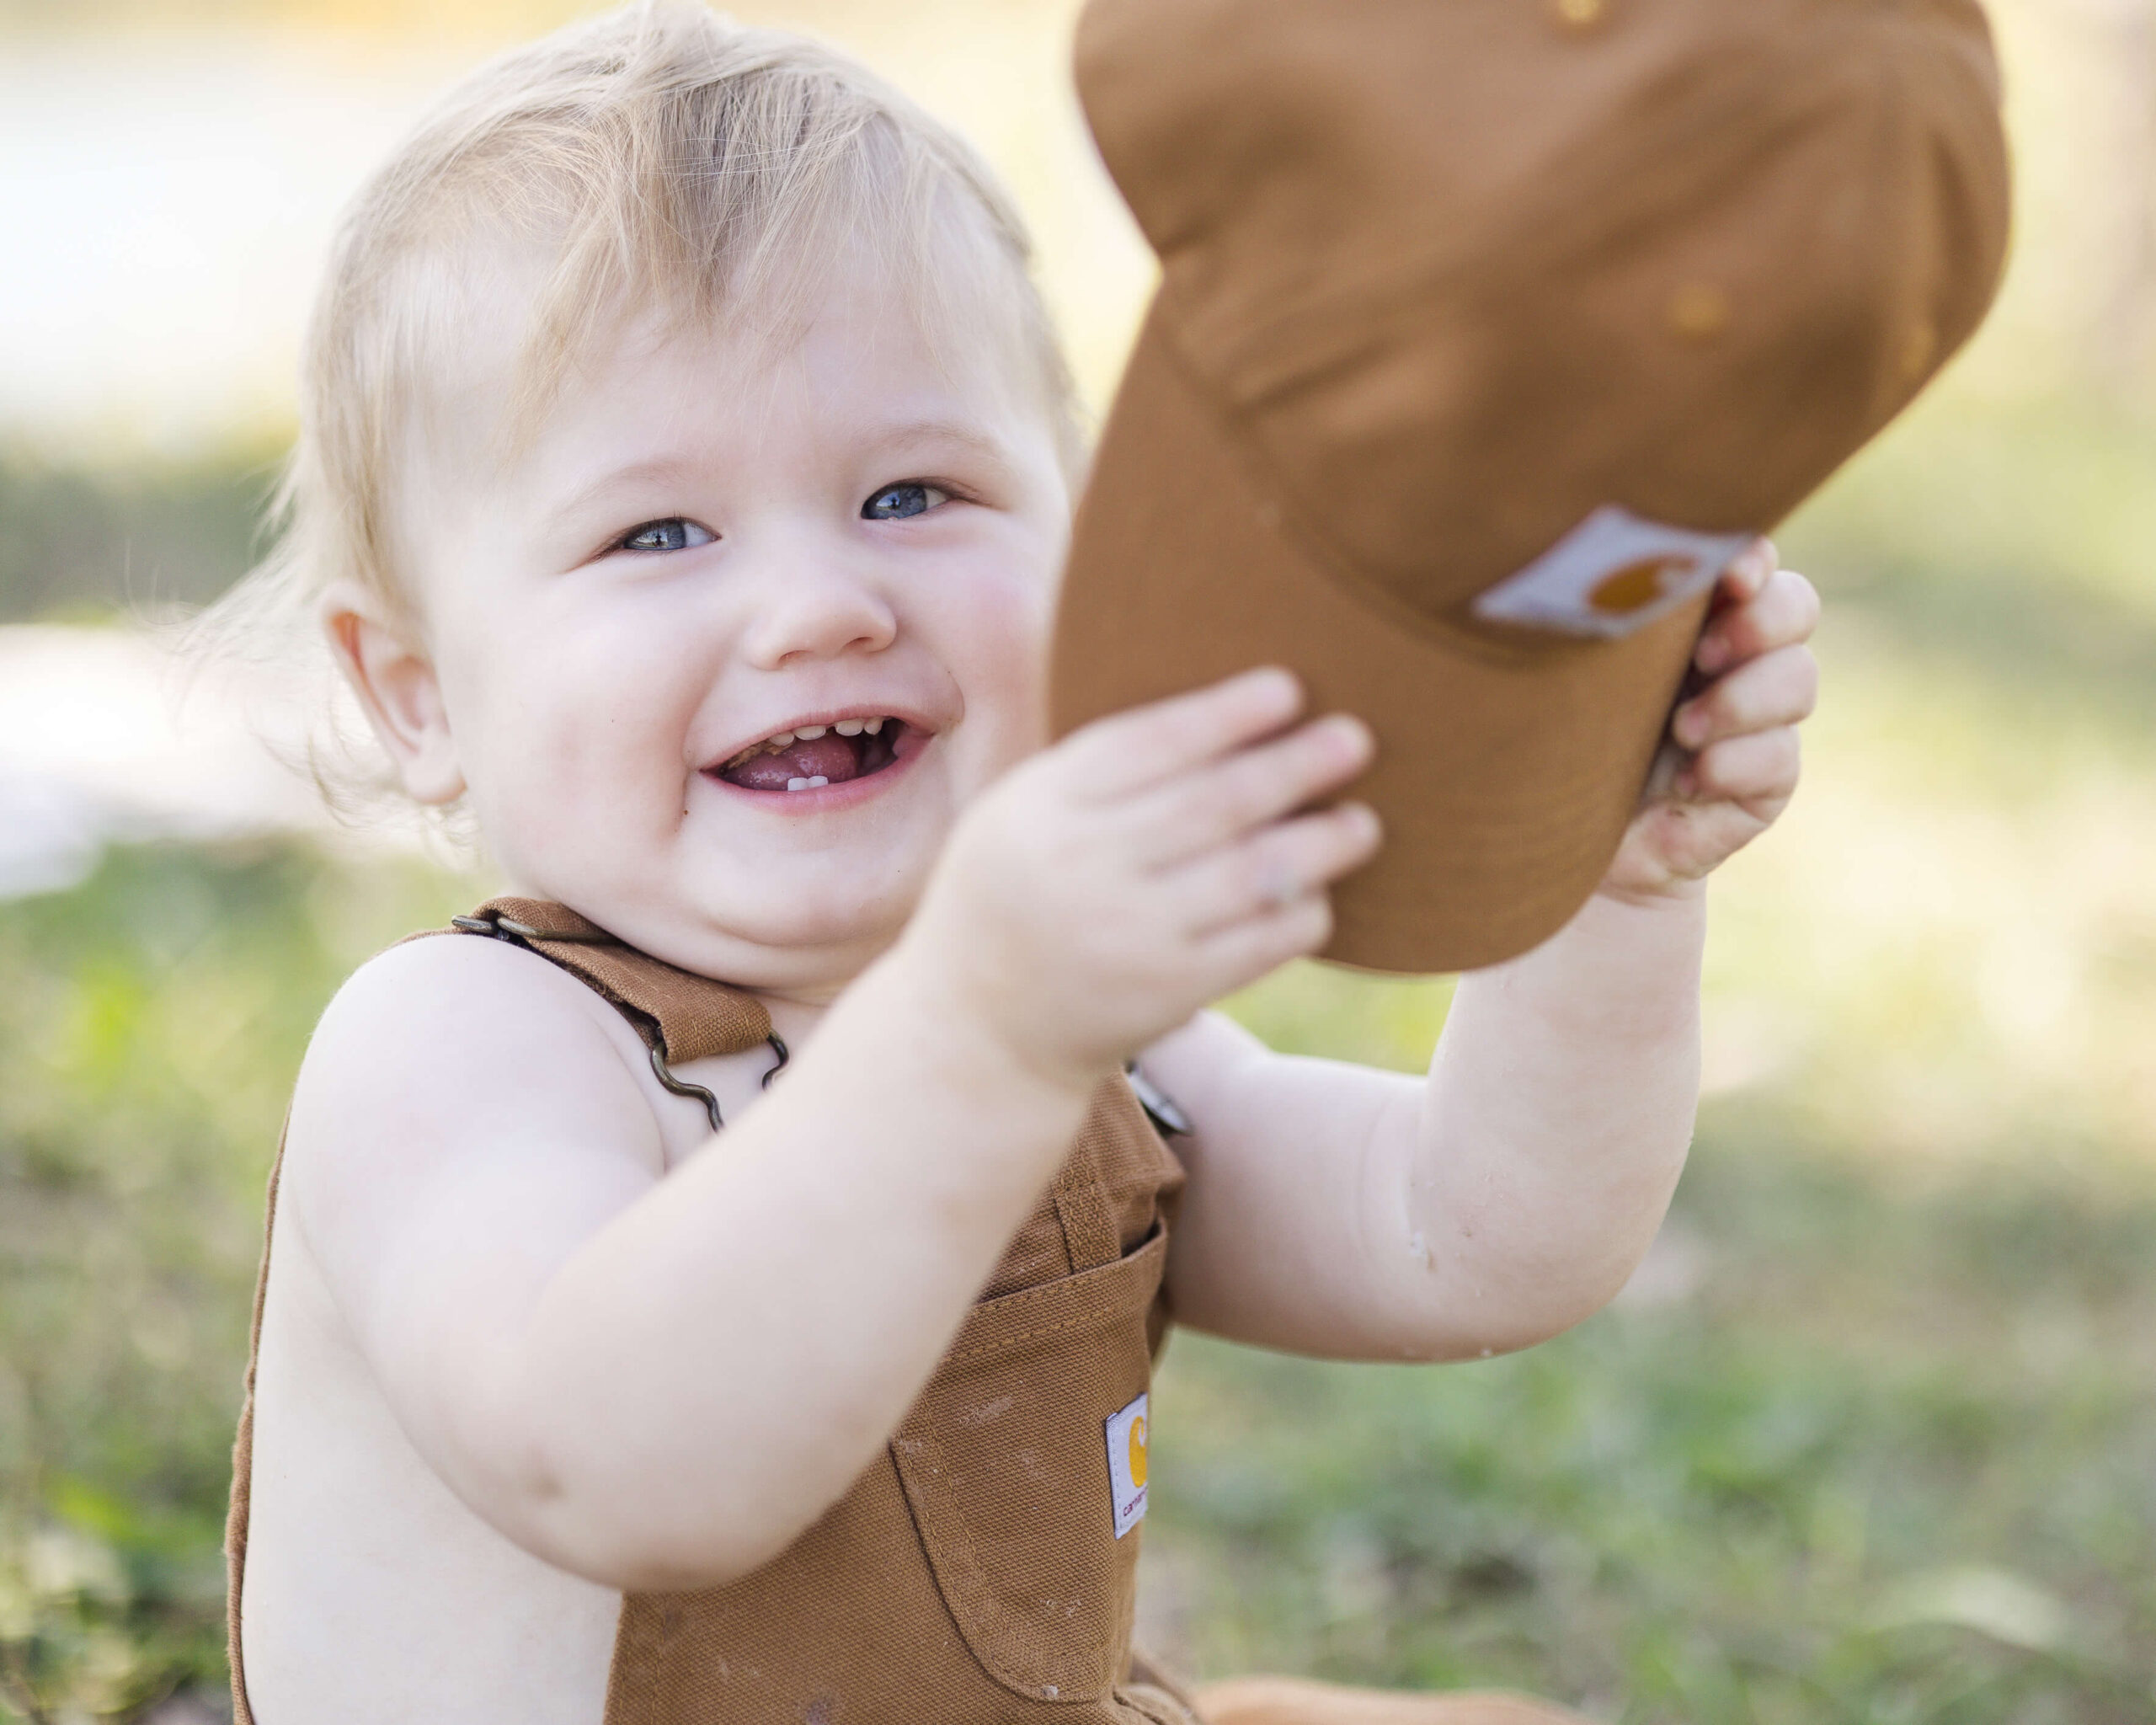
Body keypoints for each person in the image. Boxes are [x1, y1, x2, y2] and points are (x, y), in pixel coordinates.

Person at [214, 3, 1819, 1721]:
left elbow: (1472, 1237)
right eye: (657, 532)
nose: (824, 603)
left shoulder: (1086, 1035)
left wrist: (1607, 883)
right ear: (415, 688)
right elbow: (615, 1465)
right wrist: (985, 1025)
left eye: (911, 493)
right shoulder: (461, 1052)